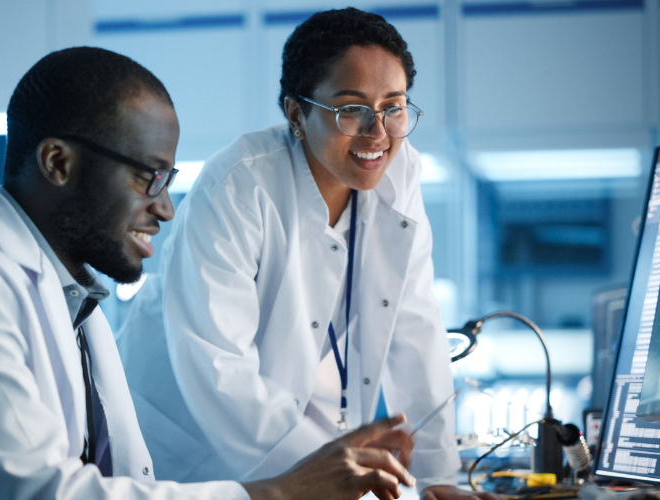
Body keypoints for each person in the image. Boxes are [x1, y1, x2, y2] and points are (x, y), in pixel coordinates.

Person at [0, 46, 417, 500]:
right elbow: (31, 494)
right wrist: (280, 491)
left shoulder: (68, 298)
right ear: (58, 162)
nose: (164, 208)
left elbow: (123, 477)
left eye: (169, 180)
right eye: (147, 176)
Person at [117, 9, 497, 500]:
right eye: (351, 109)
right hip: (185, 458)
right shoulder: (238, 185)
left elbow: (416, 332)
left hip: (301, 449)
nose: (377, 133)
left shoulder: (400, 178)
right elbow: (218, 370)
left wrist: (438, 476)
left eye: (394, 107)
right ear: (297, 114)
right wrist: (335, 470)